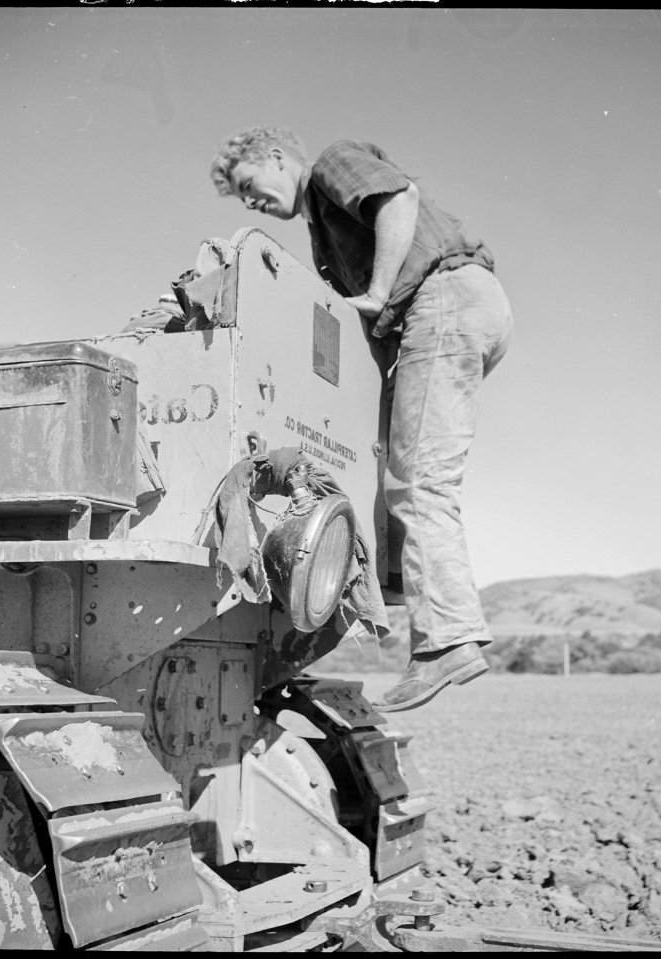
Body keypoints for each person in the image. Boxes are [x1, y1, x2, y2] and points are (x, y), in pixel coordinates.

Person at [209, 127, 513, 712]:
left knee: (418, 483)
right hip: (461, 306)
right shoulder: (322, 230)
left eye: (250, 185)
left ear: (275, 157)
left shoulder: (330, 165)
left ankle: (446, 641)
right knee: (403, 470)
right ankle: (419, 607)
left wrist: (374, 293)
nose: (252, 204)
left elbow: (399, 199)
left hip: (443, 300)